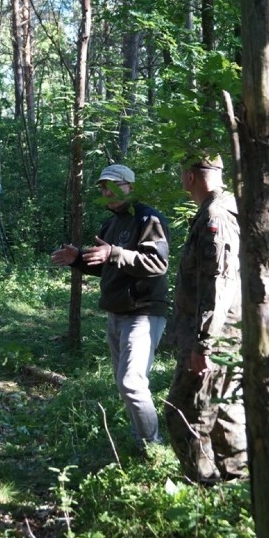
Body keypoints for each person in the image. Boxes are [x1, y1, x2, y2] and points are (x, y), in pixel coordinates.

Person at [51, 164, 170, 453]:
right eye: (104, 187)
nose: (108, 191)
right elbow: (107, 267)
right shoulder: (112, 223)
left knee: (131, 382)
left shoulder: (148, 218)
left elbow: (157, 264)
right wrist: (78, 258)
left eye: (114, 185)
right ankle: (141, 440)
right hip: (117, 312)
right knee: (124, 384)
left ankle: (154, 448)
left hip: (143, 312)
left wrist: (114, 252)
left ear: (131, 186)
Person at [164, 154, 247, 484]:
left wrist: (204, 344)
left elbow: (219, 284)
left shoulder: (216, 215)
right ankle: (237, 485)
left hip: (215, 336)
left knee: (183, 413)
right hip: (222, 333)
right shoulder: (224, 208)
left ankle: (205, 485)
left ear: (189, 177)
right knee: (224, 412)